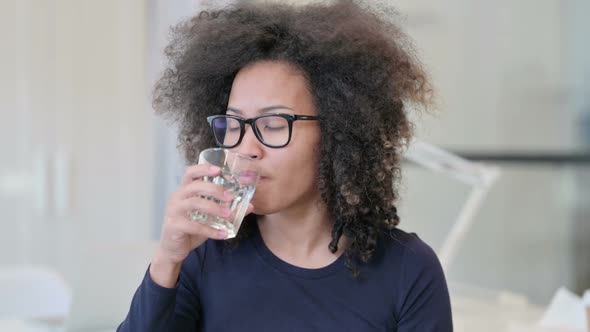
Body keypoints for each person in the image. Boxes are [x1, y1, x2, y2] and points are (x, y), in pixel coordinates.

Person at [118, 0, 453, 331]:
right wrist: (167, 260)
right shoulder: (203, 256)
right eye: (234, 126)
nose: (246, 148)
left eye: (273, 124)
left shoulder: (408, 271)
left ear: (338, 133)